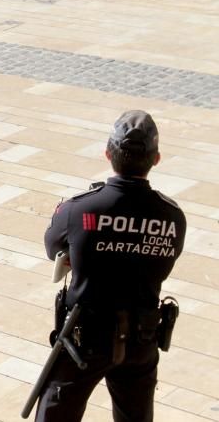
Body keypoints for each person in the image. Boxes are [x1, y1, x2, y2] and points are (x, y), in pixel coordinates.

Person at [36, 110, 186, 421]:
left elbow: (53, 249)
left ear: (108, 154)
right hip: (141, 339)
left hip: (84, 338)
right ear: (156, 159)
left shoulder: (80, 209)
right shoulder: (172, 217)